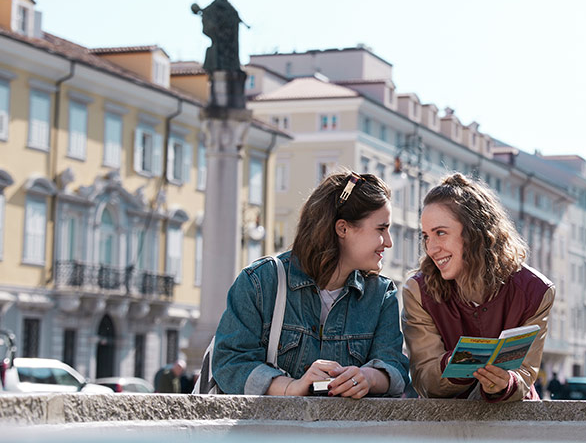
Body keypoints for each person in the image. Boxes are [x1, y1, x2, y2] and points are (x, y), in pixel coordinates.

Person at [211, 171, 410, 397]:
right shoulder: (260, 282)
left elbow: (396, 368)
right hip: (270, 431)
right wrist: (291, 387)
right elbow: (229, 363)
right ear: (342, 228)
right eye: (381, 229)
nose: (389, 242)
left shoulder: (382, 294)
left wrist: (368, 378)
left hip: (344, 432)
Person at [402, 173, 555, 402]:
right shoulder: (419, 292)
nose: (431, 248)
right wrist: (457, 364)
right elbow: (424, 379)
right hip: (445, 426)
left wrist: (506, 383)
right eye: (426, 236)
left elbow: (526, 372)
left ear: (475, 232)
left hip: (513, 423)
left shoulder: (535, 291)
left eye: (440, 233)